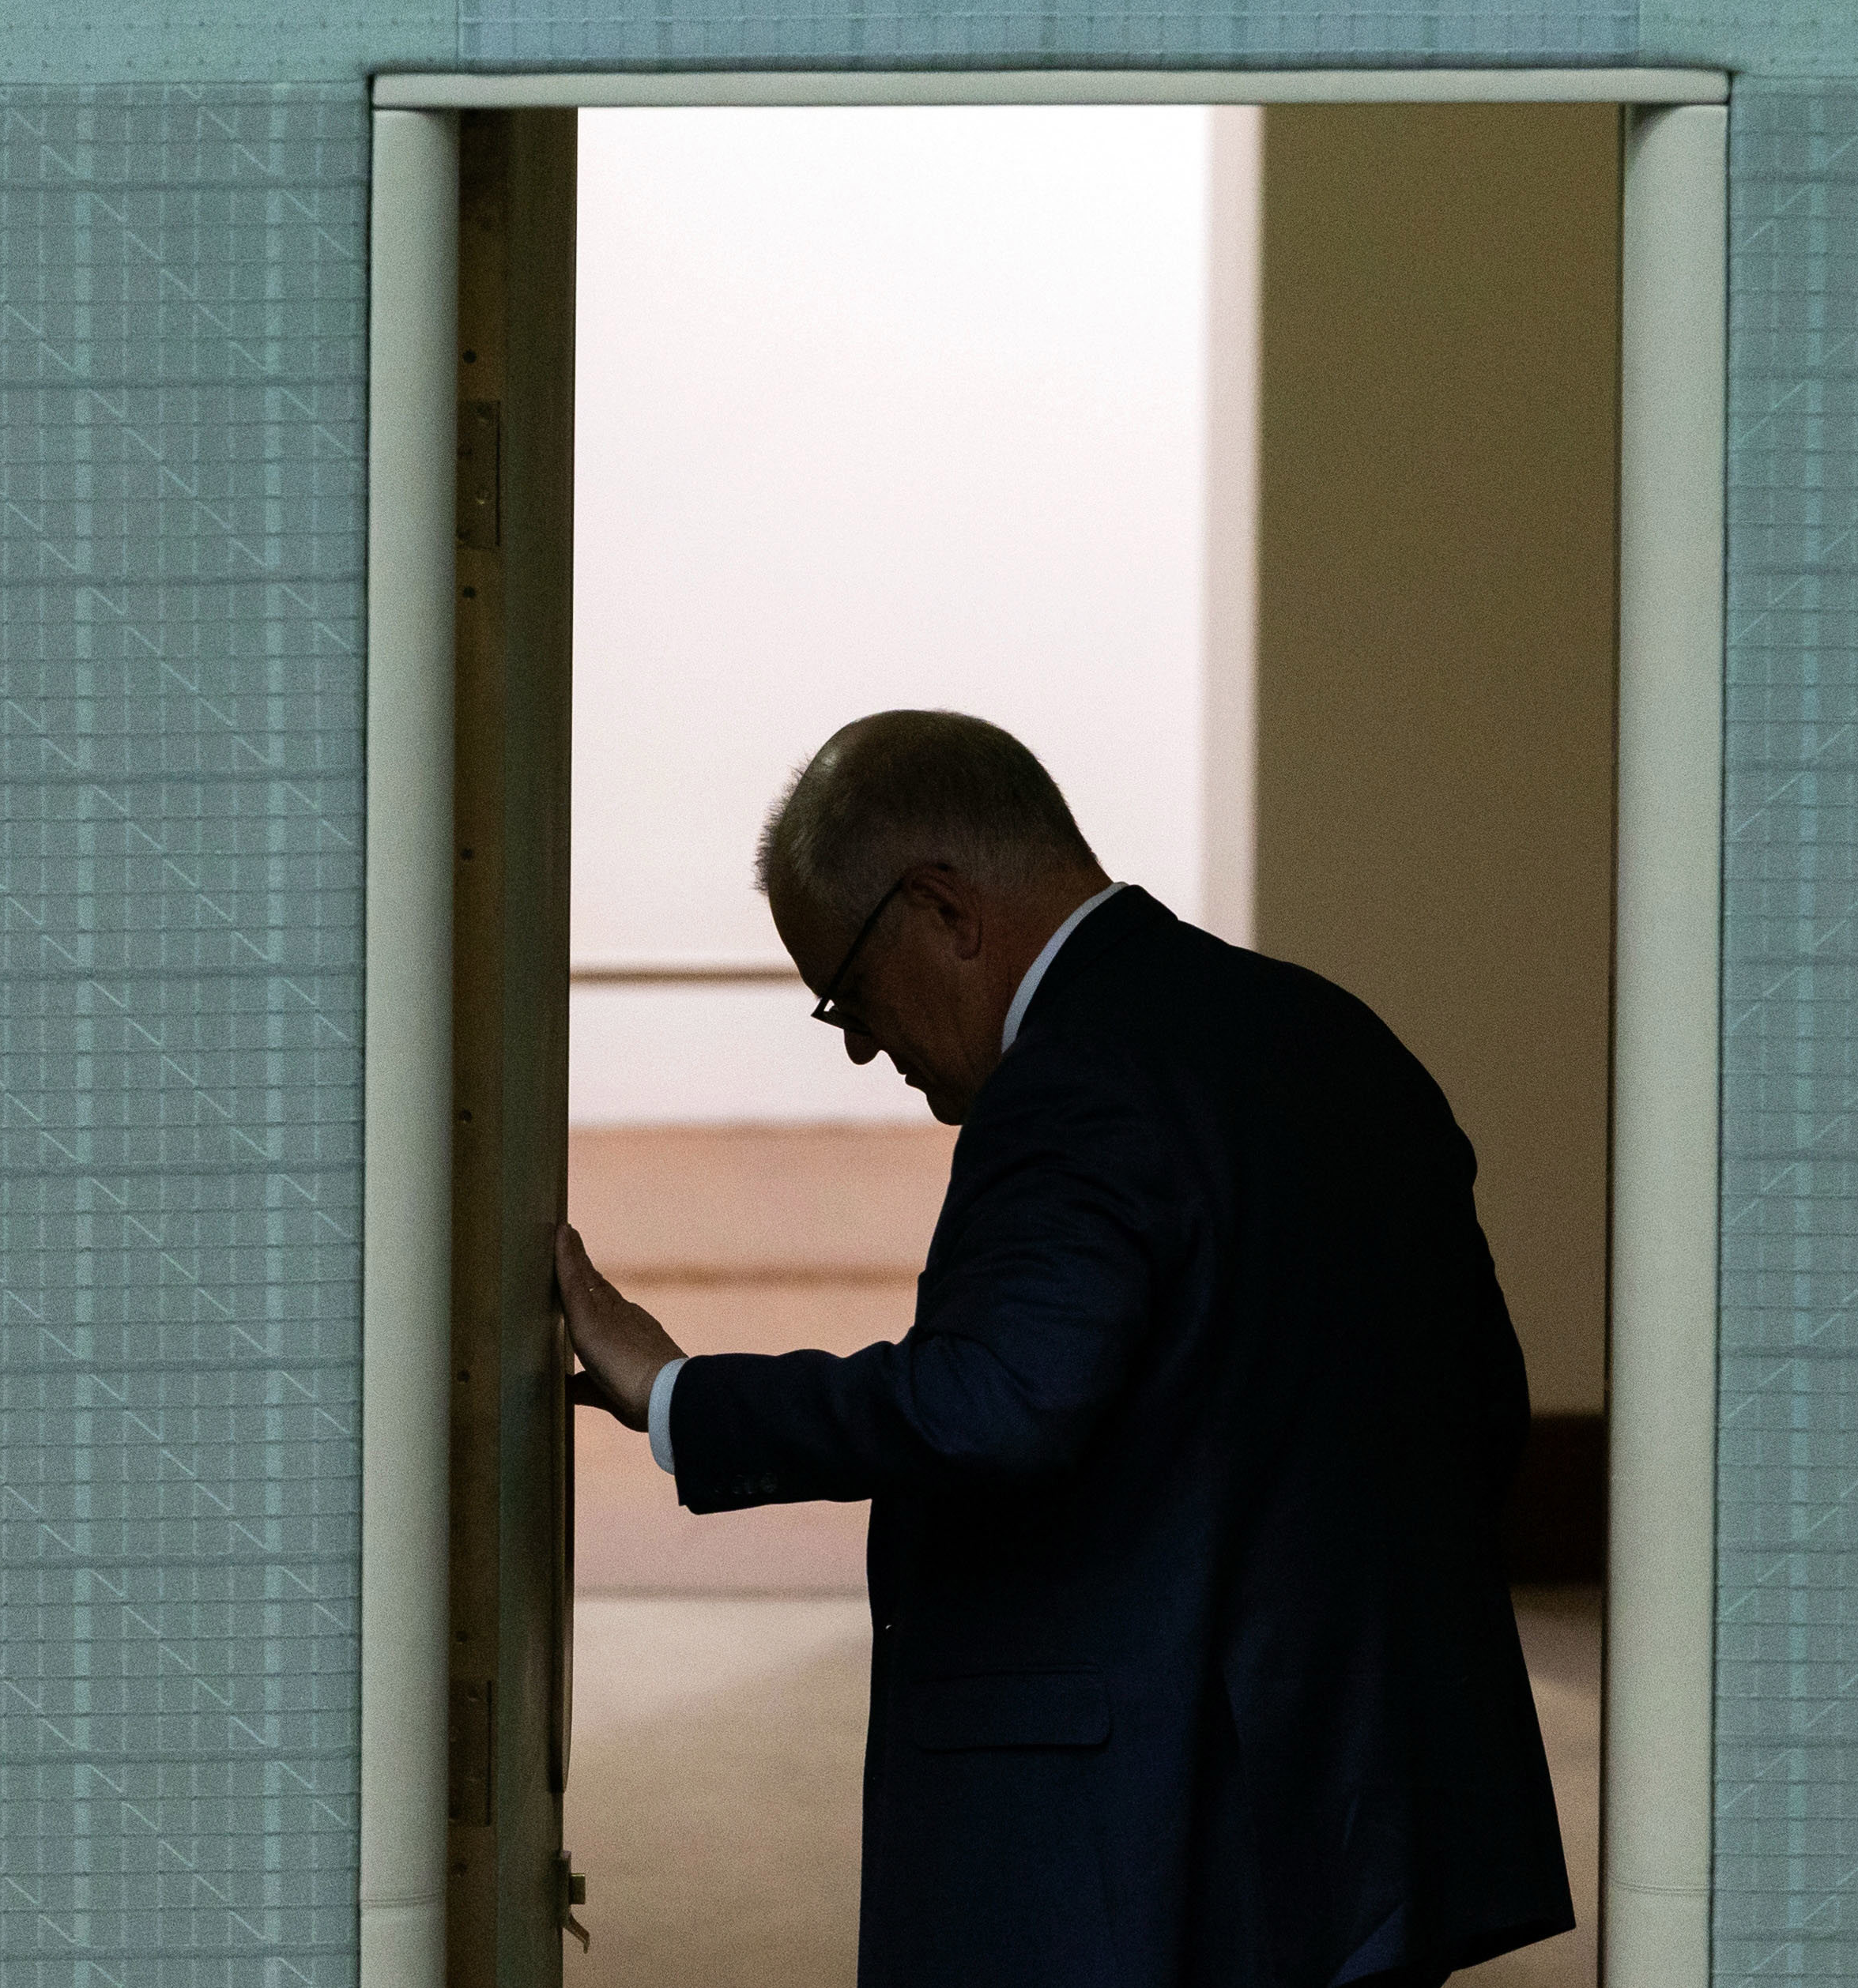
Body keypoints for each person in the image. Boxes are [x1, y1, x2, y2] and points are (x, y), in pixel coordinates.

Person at [557, 710, 1573, 1988]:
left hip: (1147, 1830)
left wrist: (677, 1395)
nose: (866, 1044)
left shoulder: (1076, 1081)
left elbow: (994, 1402)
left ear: (939, 907)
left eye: (847, 996)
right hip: (1369, 1801)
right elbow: (1478, 1403)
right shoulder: (1328, 1033)